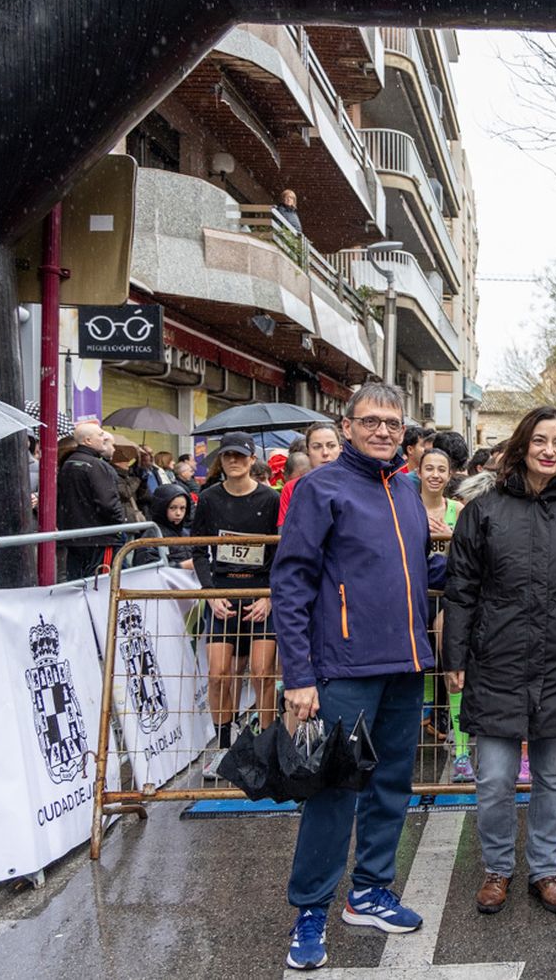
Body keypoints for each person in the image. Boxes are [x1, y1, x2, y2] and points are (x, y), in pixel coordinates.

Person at [272, 383, 446, 970]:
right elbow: (291, 584)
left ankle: (369, 891)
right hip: (342, 668)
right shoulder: (318, 488)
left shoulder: (407, 487)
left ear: (405, 431)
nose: (382, 431)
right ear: (346, 427)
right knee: (333, 790)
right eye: (370, 421)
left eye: (392, 424)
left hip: (405, 665)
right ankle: (311, 909)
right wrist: (299, 676)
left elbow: (414, 568)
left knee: (393, 784)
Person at [442, 406, 556, 917]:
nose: (548, 450)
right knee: (494, 777)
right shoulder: (486, 508)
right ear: (522, 445)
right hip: (497, 656)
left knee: (553, 776)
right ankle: (497, 868)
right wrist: (455, 653)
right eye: (539, 440)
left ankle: (545, 869)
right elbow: (461, 588)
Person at [190, 433, 281, 779]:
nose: (234, 461)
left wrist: (269, 594)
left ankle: (268, 745)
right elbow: (198, 549)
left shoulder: (270, 499)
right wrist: (210, 592)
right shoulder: (210, 498)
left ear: (251, 458)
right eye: (228, 456)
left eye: (240, 456)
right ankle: (224, 745)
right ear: (221, 460)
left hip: (260, 596)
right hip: (223, 597)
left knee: (261, 673)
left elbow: (280, 551)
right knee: (218, 674)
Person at [419, 447, 472, 780]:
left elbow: (471, 553)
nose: (436, 475)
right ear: (419, 472)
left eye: (442, 469)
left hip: (448, 597)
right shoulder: (405, 508)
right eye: (429, 468)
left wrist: (451, 538)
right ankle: (424, 705)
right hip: (410, 597)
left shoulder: (460, 509)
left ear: (450, 474)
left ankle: (462, 750)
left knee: (450, 656)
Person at [58, 420, 127, 580]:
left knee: (77, 584)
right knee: (101, 584)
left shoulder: (68, 463)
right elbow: (107, 503)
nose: (104, 438)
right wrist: (119, 523)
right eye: (101, 434)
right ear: (88, 440)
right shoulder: (96, 465)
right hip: (100, 538)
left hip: (76, 537)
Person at [280, 422, 341, 525]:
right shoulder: (293, 487)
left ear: (340, 449)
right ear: (308, 451)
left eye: (331, 446)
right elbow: (286, 531)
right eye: (317, 447)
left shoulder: (358, 483)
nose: (325, 453)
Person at [146, 483, 194, 567]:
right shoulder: (151, 535)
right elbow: (148, 571)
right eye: (173, 508)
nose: (178, 513)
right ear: (161, 508)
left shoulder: (185, 533)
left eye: (182, 508)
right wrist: (181, 566)